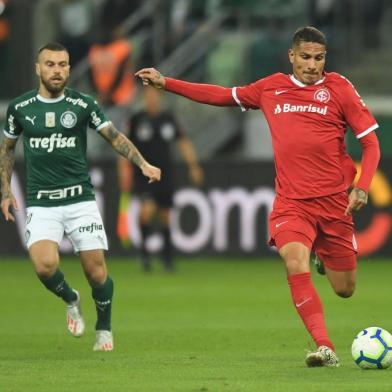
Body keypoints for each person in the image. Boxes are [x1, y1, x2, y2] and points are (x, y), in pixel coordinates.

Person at [135, 26, 381, 366]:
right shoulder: (271, 88)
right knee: (294, 261)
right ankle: (325, 347)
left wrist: (363, 185)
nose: (312, 65)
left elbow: (370, 143)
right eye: (306, 57)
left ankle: (324, 255)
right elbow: (220, 95)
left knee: (345, 289)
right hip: (292, 203)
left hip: (335, 202)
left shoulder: (338, 88)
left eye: (319, 58)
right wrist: (168, 83)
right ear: (291, 56)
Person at [0, 43, 161, 351]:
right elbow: (7, 151)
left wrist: (142, 164)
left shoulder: (82, 104)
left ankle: (104, 328)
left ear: (70, 68)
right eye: (50, 64)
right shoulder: (20, 108)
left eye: (62, 64)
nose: (56, 70)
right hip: (41, 200)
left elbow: (114, 137)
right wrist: (5, 192)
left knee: (96, 270)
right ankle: (71, 298)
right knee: (44, 266)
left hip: (80, 199)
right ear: (38, 68)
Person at [118, 85, 203, 272]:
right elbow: (122, 145)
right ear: (144, 98)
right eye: (148, 96)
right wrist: (124, 169)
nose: (152, 99)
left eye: (154, 96)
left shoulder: (168, 119)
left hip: (166, 174)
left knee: (166, 216)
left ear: (160, 97)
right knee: (147, 211)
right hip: (144, 174)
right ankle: (145, 255)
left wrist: (193, 166)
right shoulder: (137, 120)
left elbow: (183, 142)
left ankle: (167, 258)